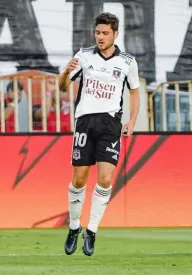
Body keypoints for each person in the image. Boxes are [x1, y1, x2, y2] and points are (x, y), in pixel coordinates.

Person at [58, 12, 140, 256]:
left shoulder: (127, 62)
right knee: (79, 180)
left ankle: (91, 230)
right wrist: (64, 72)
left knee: (105, 179)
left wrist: (131, 122)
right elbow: (63, 86)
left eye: (105, 33)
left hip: (110, 124)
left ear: (116, 34)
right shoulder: (83, 56)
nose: (101, 37)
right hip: (84, 122)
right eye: (98, 32)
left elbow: (134, 93)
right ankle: (74, 227)